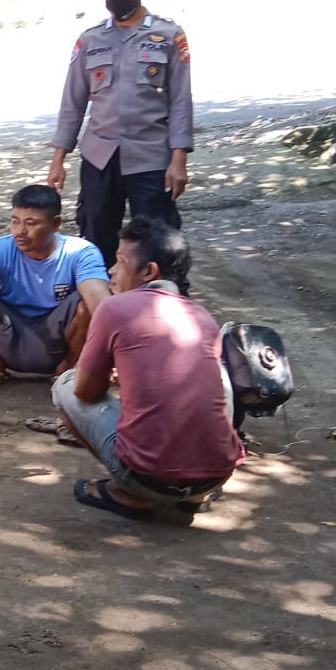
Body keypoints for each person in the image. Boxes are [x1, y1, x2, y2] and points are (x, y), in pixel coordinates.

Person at [50, 216, 245, 525]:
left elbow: (85, 391)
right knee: (212, 380)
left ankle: (130, 494)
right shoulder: (202, 315)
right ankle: (195, 495)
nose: (111, 271)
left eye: (120, 261)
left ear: (148, 271)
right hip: (216, 476)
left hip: (149, 480)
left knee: (65, 384)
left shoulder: (114, 308)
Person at [45, 0, 194, 266]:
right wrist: (58, 159)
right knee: (95, 236)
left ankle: (165, 293)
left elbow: (180, 100)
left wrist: (179, 158)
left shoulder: (168, 36)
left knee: (159, 240)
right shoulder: (90, 40)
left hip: (151, 157)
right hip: (100, 156)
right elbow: (72, 101)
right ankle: (100, 294)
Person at [0, 184, 111, 392]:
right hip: (8, 332)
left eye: (31, 223)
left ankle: (65, 368)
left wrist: (114, 355)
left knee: (88, 305)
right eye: (15, 221)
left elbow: (99, 300)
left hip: (59, 338)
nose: (20, 231)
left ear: (55, 224)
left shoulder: (81, 252)